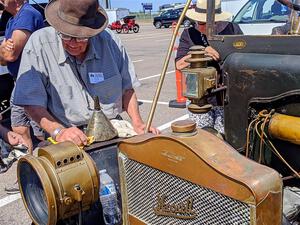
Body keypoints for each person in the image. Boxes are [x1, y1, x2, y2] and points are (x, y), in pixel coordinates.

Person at [13, 0, 159, 147]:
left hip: (112, 129)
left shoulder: (110, 41)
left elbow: (127, 89)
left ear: (93, 31)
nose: (73, 43)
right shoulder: (39, 44)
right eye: (66, 36)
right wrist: (59, 132)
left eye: (81, 37)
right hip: (67, 135)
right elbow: (31, 102)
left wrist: (138, 122)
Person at [175, 0, 243, 134]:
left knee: (226, 139)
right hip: (199, 101)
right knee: (203, 137)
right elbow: (179, 64)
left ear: (216, 22)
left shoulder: (232, 30)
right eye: (198, 23)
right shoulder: (188, 34)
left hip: (227, 99)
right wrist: (201, 53)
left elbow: (243, 56)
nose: (199, 27)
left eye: (203, 24)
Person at [0, 0, 44, 153]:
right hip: (20, 81)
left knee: (42, 131)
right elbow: (3, 60)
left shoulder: (27, 14)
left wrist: (4, 50)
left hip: (34, 82)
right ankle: (29, 167)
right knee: (18, 126)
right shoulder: (12, 20)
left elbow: (10, 55)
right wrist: (3, 49)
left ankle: (56, 166)